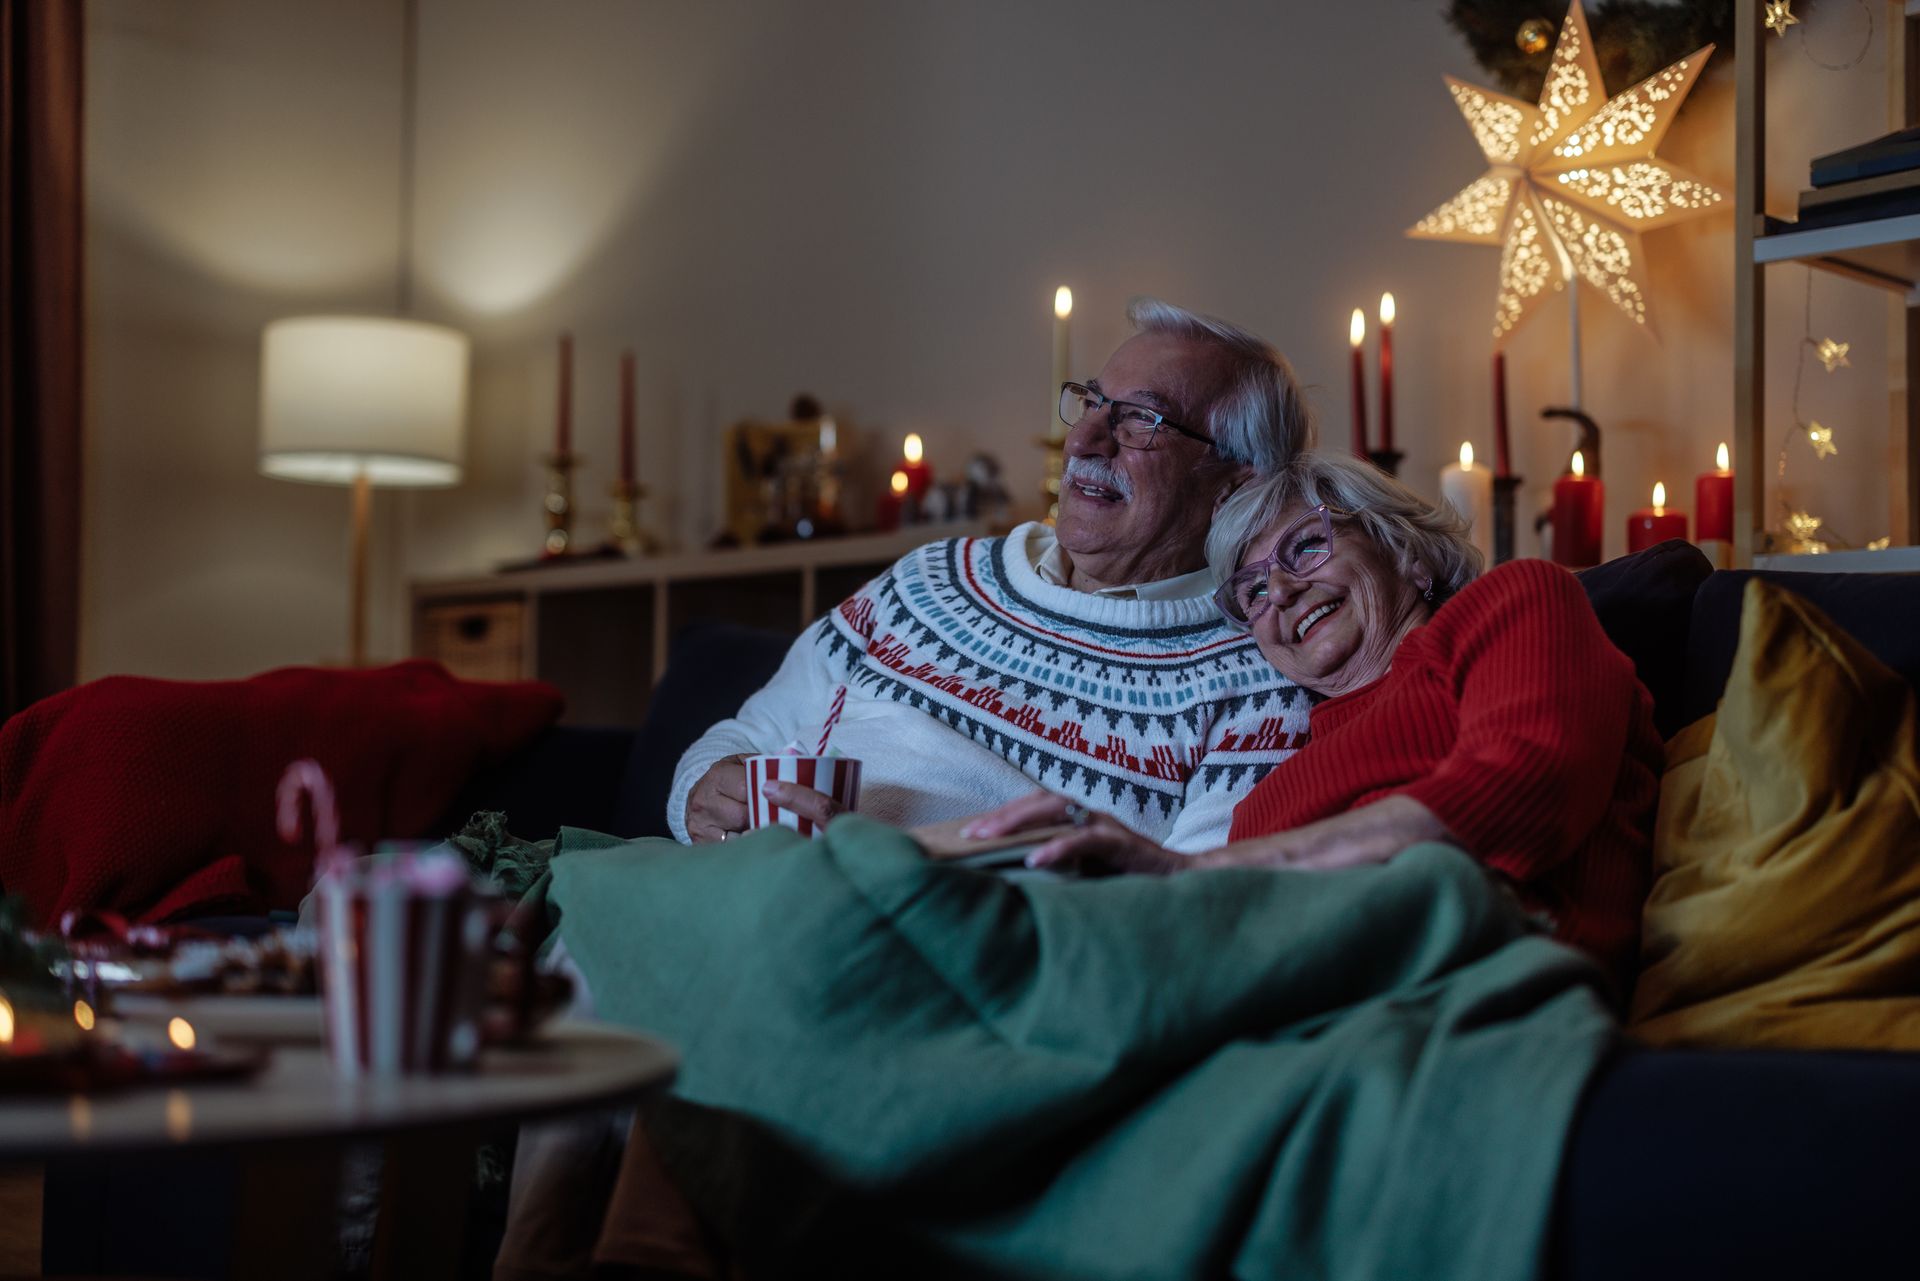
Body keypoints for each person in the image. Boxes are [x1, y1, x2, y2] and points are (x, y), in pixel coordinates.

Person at [964, 450, 1661, 979]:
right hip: (1301, 1002)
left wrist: (1187, 876)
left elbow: (1521, 789)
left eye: (1305, 547)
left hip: (1480, 982)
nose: (1283, 590)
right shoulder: (1267, 789)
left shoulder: (1513, 602)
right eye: (1252, 592)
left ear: (1407, 554)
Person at [671, 298, 1315, 851]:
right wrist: (704, 794)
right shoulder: (931, 578)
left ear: (1236, 481)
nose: (1086, 440)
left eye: (1140, 420)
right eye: (1092, 403)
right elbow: (749, 736)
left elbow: (1178, 915)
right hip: (744, 888)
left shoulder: (1254, 686)